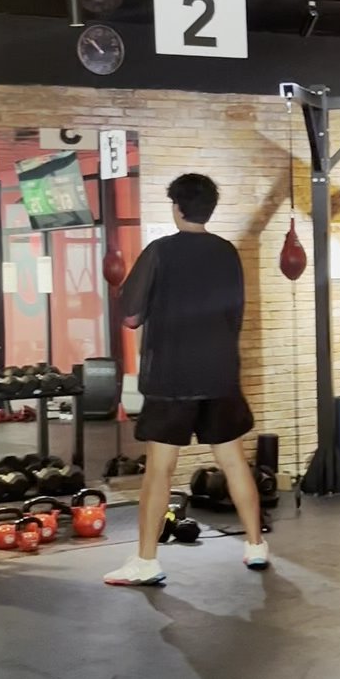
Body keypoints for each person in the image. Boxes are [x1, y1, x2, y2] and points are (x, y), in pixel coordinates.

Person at [104, 172, 268, 587]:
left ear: (177, 207)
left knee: (159, 471)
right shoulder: (228, 252)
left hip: (172, 376)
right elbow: (236, 313)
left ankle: (145, 561)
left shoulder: (160, 252)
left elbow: (130, 315)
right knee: (233, 462)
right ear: (208, 209)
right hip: (219, 374)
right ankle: (255, 546)